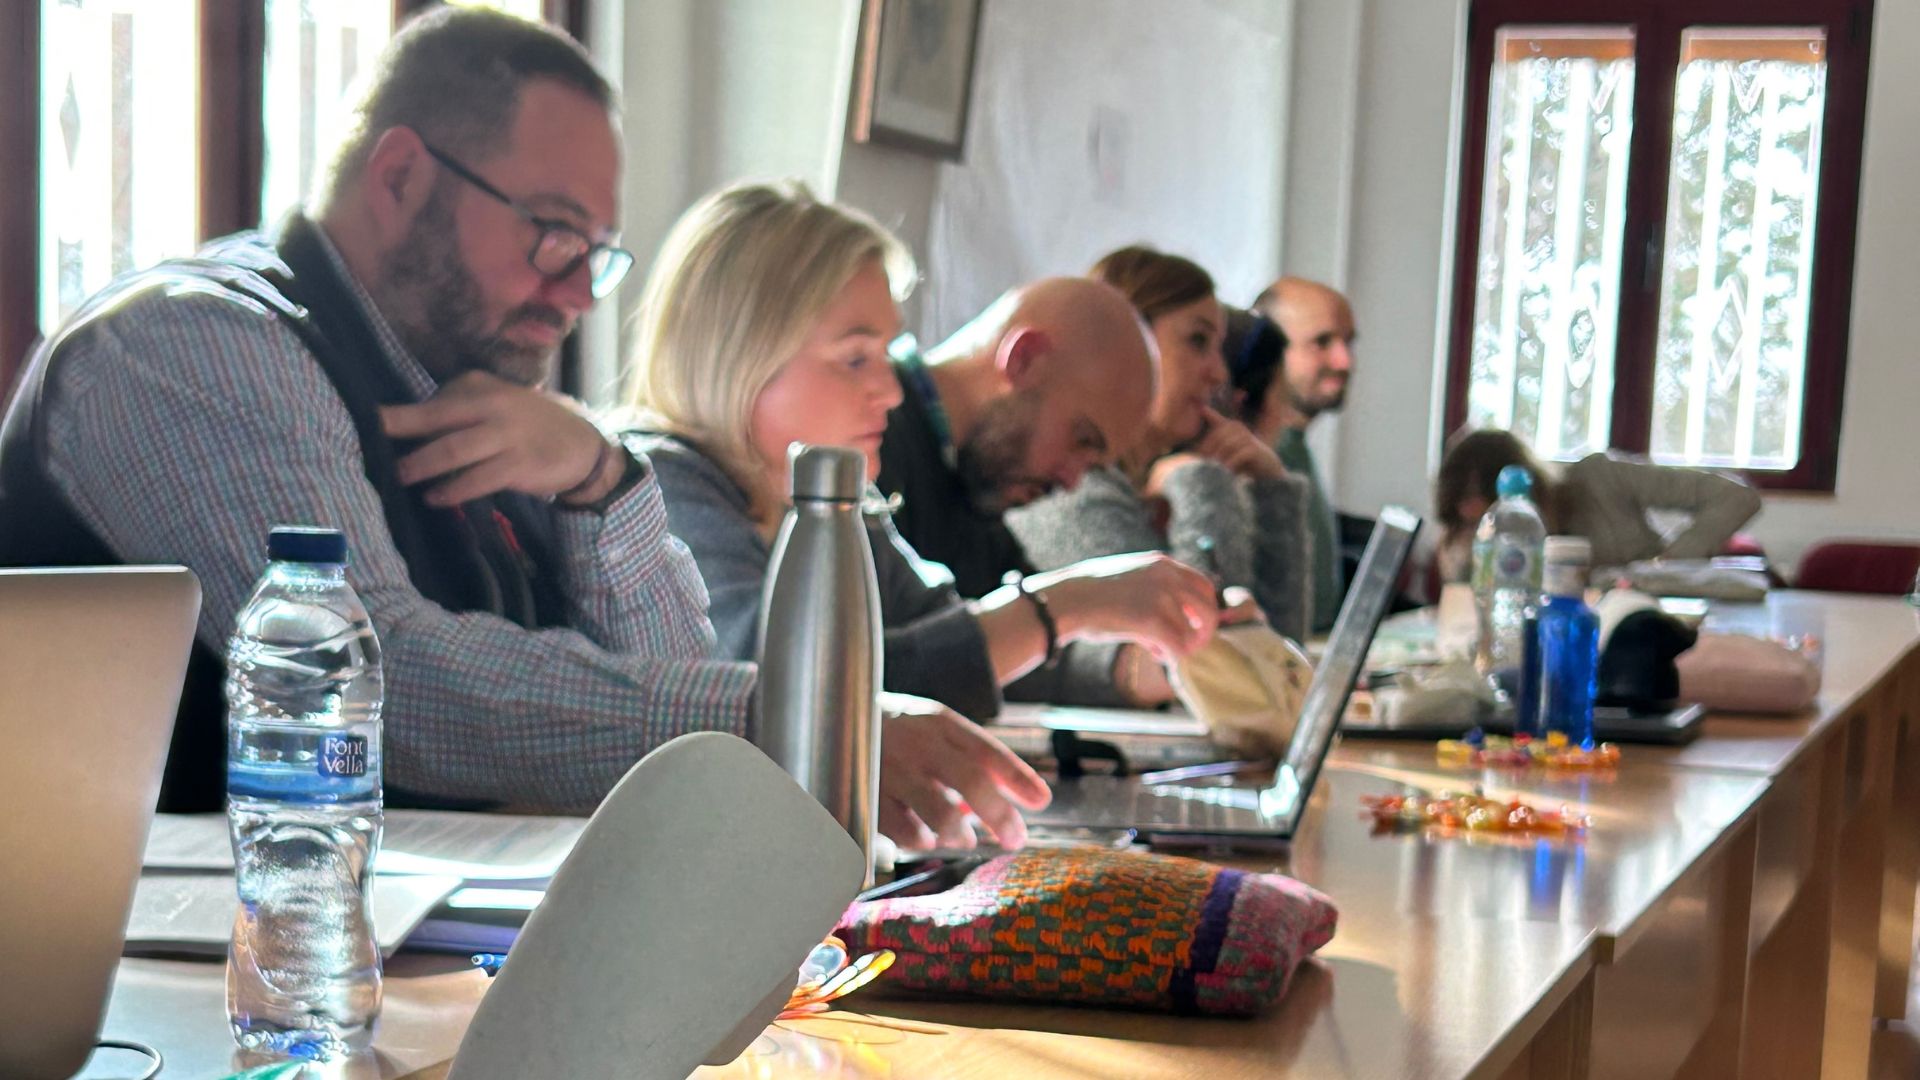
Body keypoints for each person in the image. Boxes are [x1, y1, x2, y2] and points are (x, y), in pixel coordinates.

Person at [0, 8, 1044, 851]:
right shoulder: (194, 345)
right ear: (400, 176)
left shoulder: (473, 377)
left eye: (596, 251)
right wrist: (783, 720)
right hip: (157, 980)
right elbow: (380, 687)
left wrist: (602, 483)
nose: (578, 291)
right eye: (552, 231)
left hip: (393, 951)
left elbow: (672, 676)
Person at [622, 181, 1226, 725]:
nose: (890, 393)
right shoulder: (657, 489)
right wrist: (1064, 604)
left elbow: (952, 644)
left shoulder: (842, 505)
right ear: (740, 354)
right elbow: (788, 692)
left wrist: (1147, 654)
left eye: (887, 357)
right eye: (856, 358)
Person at [874, 261, 1218, 706]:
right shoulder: (870, 441)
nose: (1071, 481)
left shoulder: (972, 484)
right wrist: (1077, 598)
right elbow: (870, 682)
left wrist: (1172, 653)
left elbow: (995, 654)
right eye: (1081, 439)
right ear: (1024, 359)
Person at [1007, 247, 1312, 645]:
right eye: (1197, 341)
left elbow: (1281, 655)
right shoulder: (1070, 493)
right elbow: (1203, 654)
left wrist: (1271, 489)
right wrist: (1199, 480)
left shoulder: (1137, 483)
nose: (1219, 373)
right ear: (1130, 342)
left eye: (1218, 348)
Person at [1432, 428, 1764, 581]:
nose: (1495, 530)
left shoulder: (1601, 478)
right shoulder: (1484, 545)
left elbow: (1737, 498)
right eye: (1470, 524)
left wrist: (1666, 563)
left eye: (1496, 514)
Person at [1251, 276, 1357, 632]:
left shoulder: (1297, 446)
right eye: (1322, 342)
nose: (1344, 361)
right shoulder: (1250, 456)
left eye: (1348, 342)